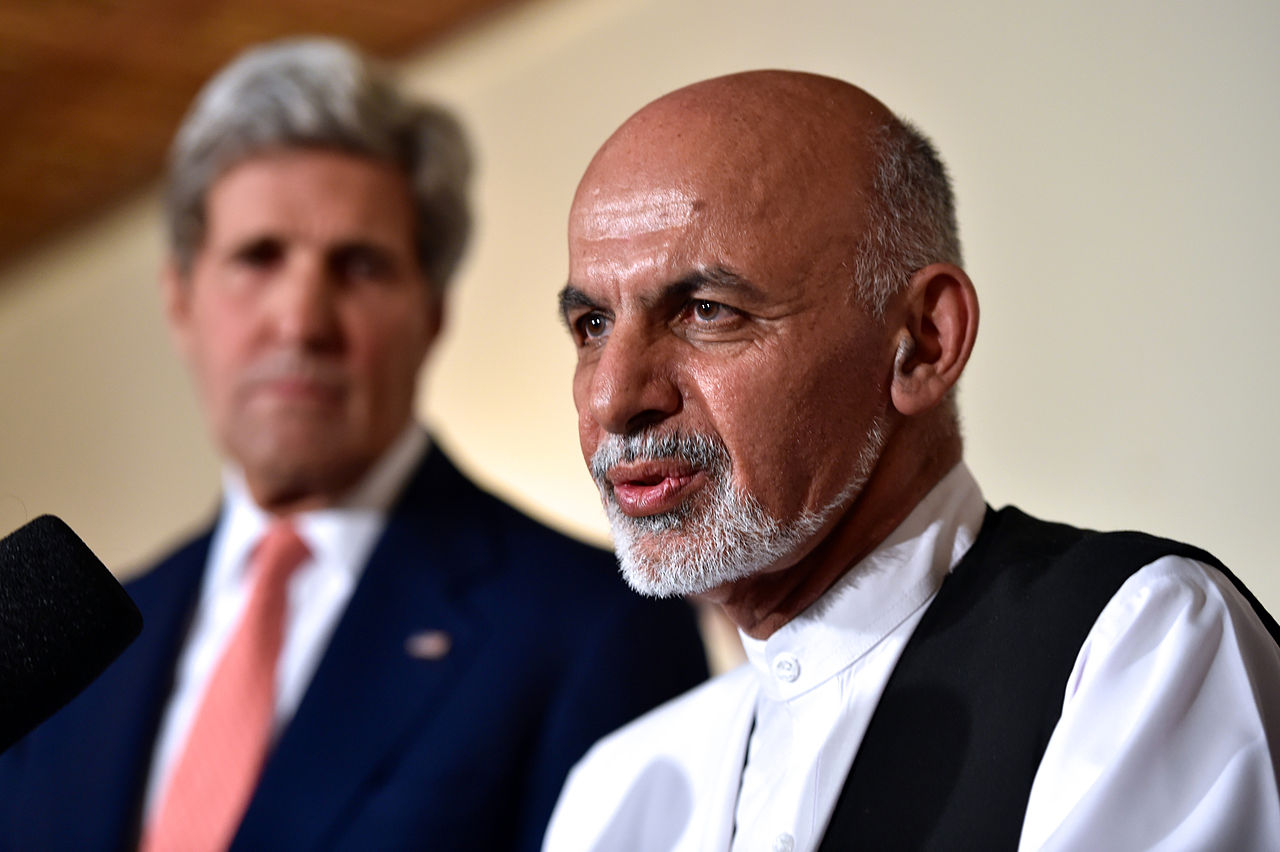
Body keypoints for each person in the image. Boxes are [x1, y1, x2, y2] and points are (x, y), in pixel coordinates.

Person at [0, 38, 707, 852]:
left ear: (432, 314)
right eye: (259, 257)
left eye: (360, 266)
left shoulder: (593, 629)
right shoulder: (61, 654)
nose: (302, 321)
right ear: (181, 300)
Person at [544, 70, 1280, 851]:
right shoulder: (616, 790)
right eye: (592, 325)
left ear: (924, 342)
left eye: (706, 312)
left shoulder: (1133, 651)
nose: (612, 399)